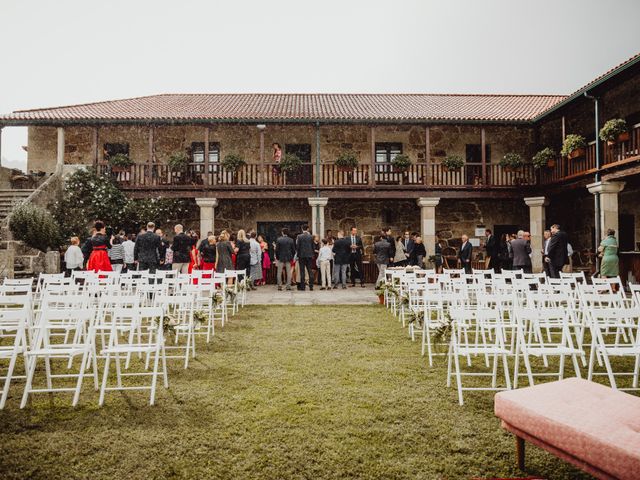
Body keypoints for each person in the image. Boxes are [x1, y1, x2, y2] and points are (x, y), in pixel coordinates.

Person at [296, 225, 315, 291]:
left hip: (301, 256)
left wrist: (298, 255)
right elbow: (313, 247)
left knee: (302, 271)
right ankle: (311, 286)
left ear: (302, 229)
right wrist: (312, 255)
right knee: (310, 270)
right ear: (308, 229)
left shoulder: (299, 236)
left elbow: (298, 247)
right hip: (309, 256)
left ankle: (303, 287)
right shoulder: (311, 237)